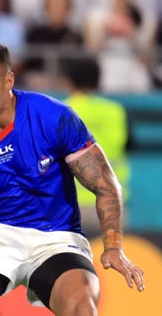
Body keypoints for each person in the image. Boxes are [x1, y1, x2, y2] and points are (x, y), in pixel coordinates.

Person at [0, 40, 145, 316]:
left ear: (9, 80)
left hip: (55, 238)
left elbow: (106, 184)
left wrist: (113, 246)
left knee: (82, 308)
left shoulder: (53, 116)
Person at [59, 57, 130, 238]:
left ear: (69, 81)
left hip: (70, 204)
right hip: (112, 203)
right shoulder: (116, 111)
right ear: (98, 80)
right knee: (111, 261)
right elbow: (129, 144)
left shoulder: (61, 111)